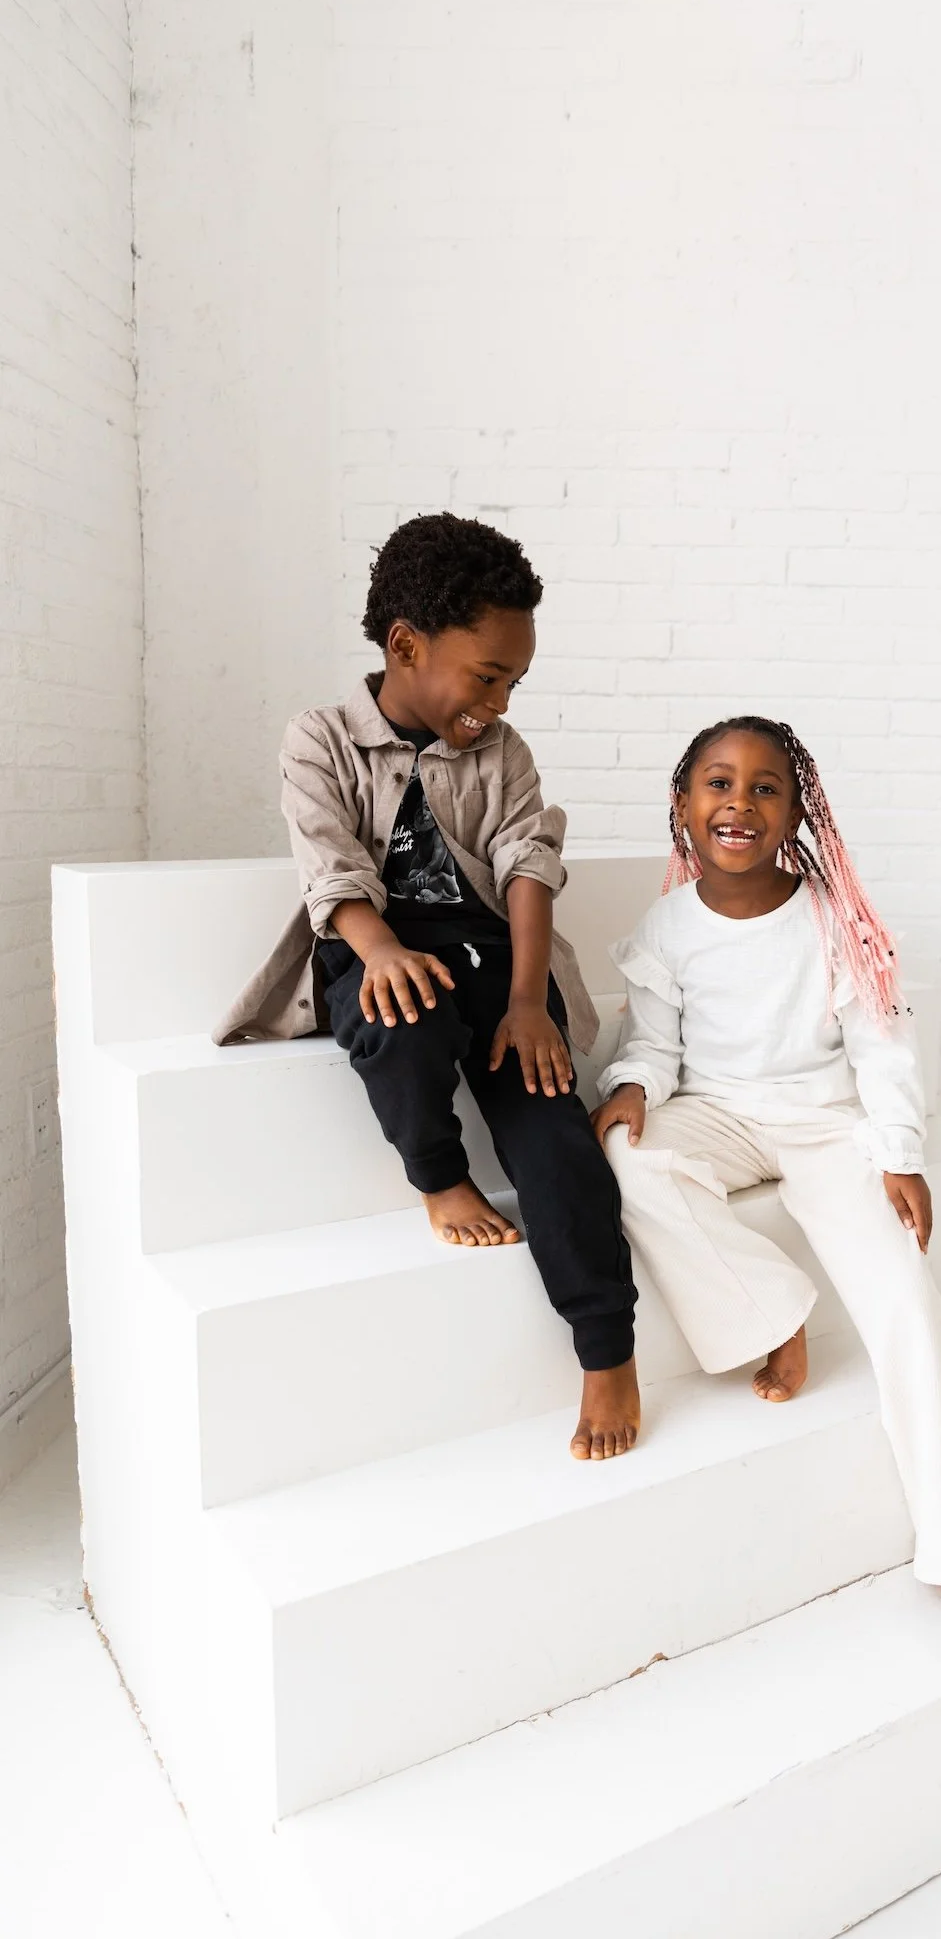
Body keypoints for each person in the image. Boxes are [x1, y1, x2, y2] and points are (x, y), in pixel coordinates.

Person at [590, 716, 941, 1648]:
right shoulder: (666, 926)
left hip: (827, 1124)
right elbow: (655, 1045)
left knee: (905, 1300)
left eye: (765, 788)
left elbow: (882, 1045)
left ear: (799, 814)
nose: (738, 803)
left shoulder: (834, 921)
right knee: (631, 1160)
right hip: (716, 1110)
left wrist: (900, 1151)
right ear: (682, 806)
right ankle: (771, 1312)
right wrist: (633, 1084)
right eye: (717, 784)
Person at [214, 513, 639, 1462]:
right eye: (487, 674)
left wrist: (530, 1002)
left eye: (515, 681)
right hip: (371, 943)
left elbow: (528, 863)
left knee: (554, 1135)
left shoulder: (501, 752)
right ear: (406, 645)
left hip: (493, 955)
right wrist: (380, 953)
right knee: (401, 1021)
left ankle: (607, 1349)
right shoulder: (320, 737)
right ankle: (441, 1180)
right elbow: (330, 871)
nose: (499, 699)